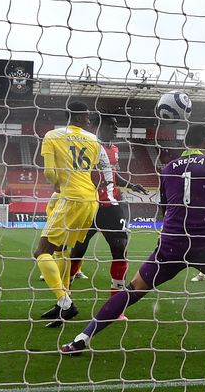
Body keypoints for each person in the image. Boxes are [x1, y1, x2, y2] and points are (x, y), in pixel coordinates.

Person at [61, 125, 205, 356]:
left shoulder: (168, 168)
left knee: (132, 289)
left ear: (185, 143)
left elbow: (165, 209)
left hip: (170, 245)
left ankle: (80, 339)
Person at [67, 114, 148, 321]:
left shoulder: (115, 149)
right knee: (78, 250)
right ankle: (65, 300)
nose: (115, 129)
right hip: (88, 205)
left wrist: (130, 184)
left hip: (111, 205)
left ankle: (116, 307)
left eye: (116, 125)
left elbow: (112, 173)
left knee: (120, 248)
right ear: (96, 125)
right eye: (111, 125)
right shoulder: (89, 145)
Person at [34, 101, 102, 328]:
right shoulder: (93, 140)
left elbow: (49, 173)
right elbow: (91, 169)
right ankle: (63, 303)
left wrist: (57, 183)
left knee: (42, 250)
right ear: (83, 118)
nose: (90, 121)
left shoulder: (52, 135)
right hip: (91, 200)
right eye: (89, 117)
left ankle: (65, 302)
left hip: (70, 198)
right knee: (63, 250)